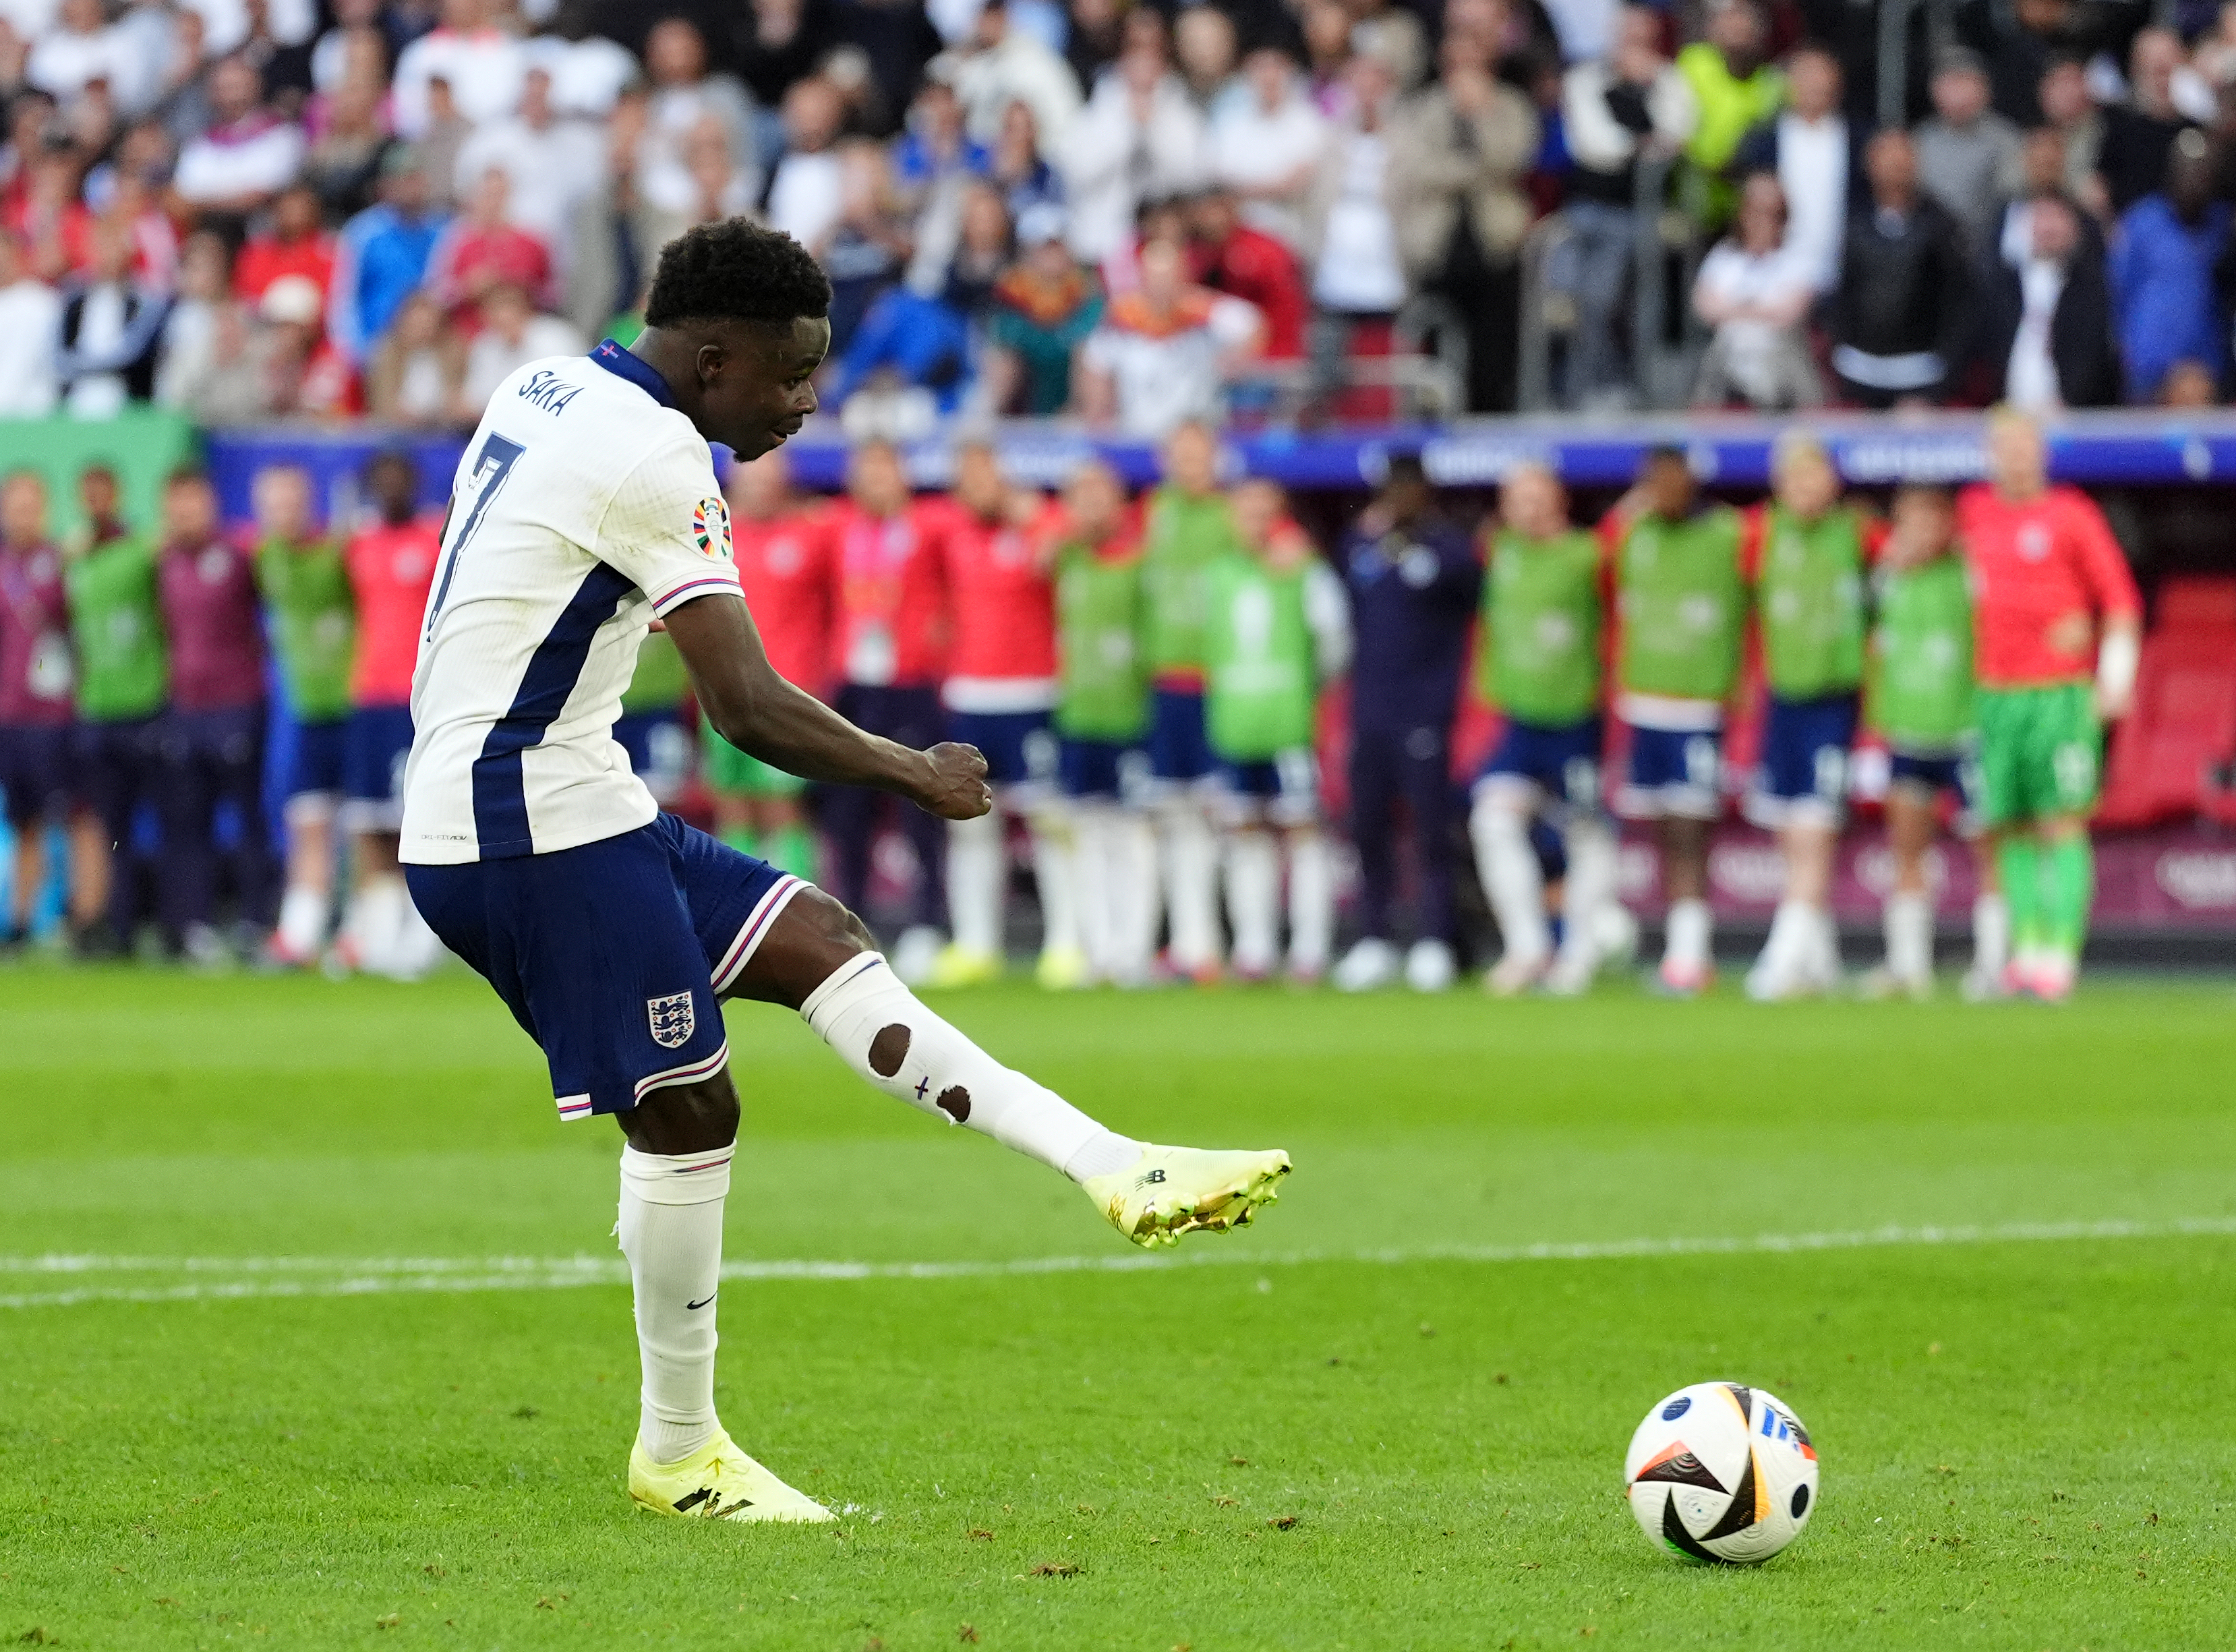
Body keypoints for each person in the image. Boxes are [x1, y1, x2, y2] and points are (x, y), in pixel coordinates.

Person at [396, 218, 1289, 1522]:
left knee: (819, 937)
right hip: (521, 821)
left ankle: (1111, 1162)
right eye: (793, 373)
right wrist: (913, 772)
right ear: (713, 358)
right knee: (689, 1110)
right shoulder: (656, 454)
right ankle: (682, 1454)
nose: (808, 405)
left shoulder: (548, 380)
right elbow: (745, 708)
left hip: (559, 792)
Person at [1954, 409, 2141, 1000]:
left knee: (2061, 822)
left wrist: (2114, 677)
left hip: (2058, 694)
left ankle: (2061, 955)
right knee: (2007, 826)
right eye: (2003, 445)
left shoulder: (2072, 515)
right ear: (1989, 454)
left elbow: (2120, 602)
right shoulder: (1972, 513)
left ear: (2042, 452)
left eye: (2024, 445)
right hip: (1993, 696)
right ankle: (2027, 948)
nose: (2015, 456)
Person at [1466, 462, 1620, 996]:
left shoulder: (1588, 554)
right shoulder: (1500, 552)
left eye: (1537, 497)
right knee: (1492, 819)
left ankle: (1578, 953)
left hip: (1575, 716)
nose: (1527, 508)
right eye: (1517, 499)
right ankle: (1527, 947)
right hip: (1517, 716)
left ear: (1559, 501)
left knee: (1586, 832)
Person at [928, 442, 1078, 989]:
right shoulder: (949, 532)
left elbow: (1060, 550)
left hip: (1034, 692)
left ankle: (1065, 943)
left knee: (1049, 822)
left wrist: (1034, 516)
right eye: (969, 478)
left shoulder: (1041, 522)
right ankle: (976, 943)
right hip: (971, 694)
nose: (981, 488)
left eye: (989, 476)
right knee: (970, 824)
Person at [1328, 456, 1478, 995]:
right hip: (1369, 711)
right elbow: (1343, 585)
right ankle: (1374, 939)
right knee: (1368, 829)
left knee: (1431, 832)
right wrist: (1373, 537)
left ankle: (1436, 941)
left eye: (1409, 489)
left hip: (1425, 713)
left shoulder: (1448, 549)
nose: (1400, 499)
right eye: (1392, 490)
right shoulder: (1364, 546)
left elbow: (1467, 591)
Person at [1738, 434, 1875, 1001]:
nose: (1804, 489)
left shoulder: (1861, 533)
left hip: (1834, 701)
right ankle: (1820, 959)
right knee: (1789, 832)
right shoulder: (1756, 534)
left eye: (1814, 476)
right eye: (1794, 478)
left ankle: (1781, 960)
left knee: (1814, 832)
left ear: (1834, 483)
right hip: (1780, 700)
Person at [1606, 446, 1747, 995]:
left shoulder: (1728, 535)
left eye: (1672, 481)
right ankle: (1678, 949)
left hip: (1698, 704)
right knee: (1666, 829)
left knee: (1691, 829)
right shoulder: (1632, 535)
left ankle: (1692, 955)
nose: (1662, 492)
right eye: (1653, 483)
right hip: (1644, 703)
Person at [1202, 478, 1350, 983]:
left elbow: (1334, 643)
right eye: (1246, 513)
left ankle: (1309, 949)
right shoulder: (1217, 575)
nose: (1256, 524)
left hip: (1290, 726)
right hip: (1235, 724)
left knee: (1304, 834)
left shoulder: (1307, 574)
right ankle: (1254, 949)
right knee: (1245, 837)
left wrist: (1306, 693)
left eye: (1266, 513)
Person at [820, 438, 953, 978]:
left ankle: (927, 926)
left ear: (904, 475)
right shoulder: (835, 527)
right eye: (864, 471)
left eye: (884, 470)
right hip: (854, 683)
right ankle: (852, 923)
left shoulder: (932, 524)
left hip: (913, 681)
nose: (874, 482)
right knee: (847, 812)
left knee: (920, 809)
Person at [1859, 483, 1997, 1000]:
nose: (1912, 534)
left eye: (1925, 522)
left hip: (1967, 733)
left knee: (1990, 851)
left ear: (1947, 526)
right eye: (1904, 522)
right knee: (1907, 850)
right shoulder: (1887, 577)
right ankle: (1908, 965)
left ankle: (1993, 963)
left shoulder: (1969, 572)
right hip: (1908, 732)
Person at [1047, 456, 1159, 988]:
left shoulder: (1140, 562)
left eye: (1101, 498)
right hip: (1077, 714)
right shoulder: (1065, 558)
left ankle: (1133, 950)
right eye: (1080, 499)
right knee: (1086, 834)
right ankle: (1095, 949)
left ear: (1121, 506)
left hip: (1131, 716)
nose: (1090, 511)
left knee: (1132, 833)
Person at [154, 466, 272, 965]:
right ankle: (193, 925)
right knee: (187, 823)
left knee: (246, 817)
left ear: (212, 503)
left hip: (238, 703)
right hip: (184, 707)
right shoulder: (159, 562)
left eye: (195, 501)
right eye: (177, 503)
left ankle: (255, 922)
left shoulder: (241, 554)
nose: (187, 513)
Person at [1558, 5, 1697, 407]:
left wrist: (1647, 93)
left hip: (1650, 212)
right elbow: (1595, 146)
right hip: (1594, 211)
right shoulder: (1585, 79)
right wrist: (1644, 138)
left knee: (1646, 304)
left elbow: (1679, 132)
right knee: (1591, 301)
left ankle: (1646, 393)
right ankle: (1588, 389)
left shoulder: (1669, 79)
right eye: (1628, 36)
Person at [336, 450, 442, 979]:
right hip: (367, 698)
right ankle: (379, 937)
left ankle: (423, 940)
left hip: (417, 702)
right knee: (370, 820)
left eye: (402, 480)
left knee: (419, 822)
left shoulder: (434, 543)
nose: (392, 489)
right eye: (383, 481)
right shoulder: (358, 547)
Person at [1139, 420, 1235, 982]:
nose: (1189, 465)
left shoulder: (1229, 516)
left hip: (1217, 685)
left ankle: (1217, 943)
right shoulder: (1154, 511)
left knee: (1218, 818)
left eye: (1199, 455)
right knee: (1173, 818)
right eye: (1180, 454)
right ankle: (1188, 942)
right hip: (1164, 683)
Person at [710, 448, 829, 882]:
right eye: (752, 473)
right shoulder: (714, 537)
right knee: (733, 803)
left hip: (786, 696)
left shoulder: (812, 533)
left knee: (783, 807)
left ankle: (798, 906)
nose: (760, 482)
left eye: (770, 473)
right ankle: (739, 908)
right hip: (719, 693)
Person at [63, 463, 167, 957]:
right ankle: (116, 927)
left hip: (145, 703)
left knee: (161, 820)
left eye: (104, 492)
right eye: (89, 493)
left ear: (118, 495)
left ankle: (171, 924)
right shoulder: (75, 561)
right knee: (108, 828)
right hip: (95, 708)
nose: (96, 502)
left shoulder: (142, 553)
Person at [254, 463, 354, 968]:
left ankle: (367, 935)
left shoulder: (343, 554)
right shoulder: (263, 557)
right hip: (307, 715)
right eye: (271, 506)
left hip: (358, 708)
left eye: (289, 504)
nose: (281, 515)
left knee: (370, 828)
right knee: (308, 824)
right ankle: (301, 934)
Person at [1829, 129, 1974, 408]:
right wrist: (1842, 352)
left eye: (1901, 162)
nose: (1894, 171)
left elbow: (1960, 305)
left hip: (1921, 372)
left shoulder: (1941, 226)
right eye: (1886, 163)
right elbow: (1843, 292)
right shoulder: (1854, 225)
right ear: (1870, 167)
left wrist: (1942, 377)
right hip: (1860, 370)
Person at [0, 471, 80, 950]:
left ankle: (75, 914)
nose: (24, 515)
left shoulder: (63, 561)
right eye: (16, 505)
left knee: (65, 817)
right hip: (9, 712)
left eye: (32, 505)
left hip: (55, 712)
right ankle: (23, 920)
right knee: (23, 819)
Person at [2110, 130, 2229, 406]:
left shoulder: (2221, 226)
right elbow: (2119, 289)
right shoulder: (2142, 222)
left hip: (2204, 367)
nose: (2195, 181)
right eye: (2187, 171)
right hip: (2149, 364)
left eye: (2203, 172)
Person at [1689, 171, 1823, 409]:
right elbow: (1705, 308)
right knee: (1729, 342)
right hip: (1728, 357)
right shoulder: (1724, 256)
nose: (1764, 221)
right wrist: (1763, 311)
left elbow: (1791, 313)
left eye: (1774, 213)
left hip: (1782, 359)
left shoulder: (1797, 259)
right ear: (1743, 214)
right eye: (1756, 211)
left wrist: (1735, 309)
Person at [1981, 191, 2119, 411]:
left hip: (2069, 414)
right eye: (2041, 217)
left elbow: (2092, 354)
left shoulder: (2091, 290)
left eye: (2058, 217)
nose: (2049, 228)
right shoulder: (2003, 287)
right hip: (2006, 413)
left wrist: (2069, 399)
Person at [1914, 47, 2024, 259]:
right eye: (1951, 83)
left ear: (1985, 89)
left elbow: (2012, 200)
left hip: (1987, 252)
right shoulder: (1920, 139)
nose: (1958, 93)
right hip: (1931, 255)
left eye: (1966, 82)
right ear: (1935, 89)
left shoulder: (2008, 140)